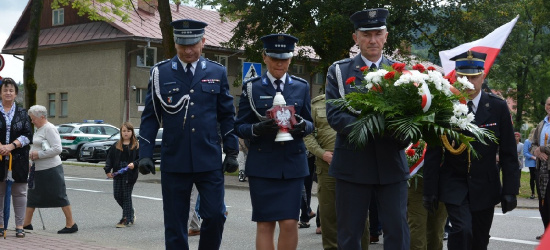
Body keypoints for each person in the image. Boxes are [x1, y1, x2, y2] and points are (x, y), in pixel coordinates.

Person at [137, 19, 239, 249]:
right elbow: (151, 117)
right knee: (175, 222)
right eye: (183, 45)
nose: (188, 50)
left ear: (203, 42)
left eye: (193, 44)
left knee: (215, 215)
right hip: (175, 159)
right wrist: (144, 153)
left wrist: (231, 151)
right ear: (175, 44)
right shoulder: (159, 73)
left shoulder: (217, 71)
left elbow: (226, 115)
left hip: (208, 158)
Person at [325, 8, 410, 250]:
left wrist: (402, 131)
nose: (372, 40)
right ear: (356, 38)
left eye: (377, 33)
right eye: (366, 34)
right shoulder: (339, 72)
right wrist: (375, 128)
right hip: (353, 164)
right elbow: (335, 116)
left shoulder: (400, 72)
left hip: (391, 164)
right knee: (350, 234)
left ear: (386, 36)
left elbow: (411, 117)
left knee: (397, 232)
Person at [422, 50, 520, 250]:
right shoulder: (444, 106)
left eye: (474, 77)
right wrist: (429, 190)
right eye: (464, 77)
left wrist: (511, 190)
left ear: (483, 76)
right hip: (454, 182)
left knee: (479, 238)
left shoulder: (498, 107)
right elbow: (434, 151)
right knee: (462, 230)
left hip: (485, 185)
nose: (469, 82)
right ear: (457, 77)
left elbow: (509, 153)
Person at [234, 33, 313, 250]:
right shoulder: (252, 87)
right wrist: (256, 129)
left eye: (285, 58)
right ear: (265, 57)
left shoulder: (301, 86)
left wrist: (302, 126)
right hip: (263, 164)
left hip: (293, 164)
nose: (280, 63)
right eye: (275, 58)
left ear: (291, 59)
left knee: (289, 223)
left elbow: (310, 122)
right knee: (265, 223)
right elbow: (239, 125)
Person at [303, 94, 371, 249]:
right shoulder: (316, 104)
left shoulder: (357, 99)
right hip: (327, 167)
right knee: (329, 216)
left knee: (359, 215)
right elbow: (307, 134)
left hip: (356, 165)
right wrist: (322, 153)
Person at [23, 105, 78, 234]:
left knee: (59, 195)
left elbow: (57, 149)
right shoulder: (39, 129)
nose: (32, 121)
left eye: (33, 118)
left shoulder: (50, 129)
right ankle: (26, 224)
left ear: (42, 117)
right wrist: (32, 161)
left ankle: (71, 224)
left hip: (51, 169)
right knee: (32, 196)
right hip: (38, 169)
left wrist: (38, 155)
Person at [0, 77, 32, 238]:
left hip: (18, 158)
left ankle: (19, 225)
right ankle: (0, 224)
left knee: (19, 193)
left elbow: (28, 135)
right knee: (0, 192)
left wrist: (11, 146)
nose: (8, 93)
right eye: (5, 90)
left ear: (16, 94)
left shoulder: (22, 113)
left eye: (11, 90)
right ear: (0, 93)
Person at [104, 122, 139, 228]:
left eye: (128, 131)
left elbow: (141, 159)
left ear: (132, 132)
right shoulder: (116, 146)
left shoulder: (136, 146)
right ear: (121, 132)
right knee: (117, 195)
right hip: (118, 172)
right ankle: (130, 212)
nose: (126, 133)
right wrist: (107, 170)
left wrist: (135, 164)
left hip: (130, 173)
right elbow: (109, 159)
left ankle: (126, 219)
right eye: (124, 131)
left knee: (126, 196)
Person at [530, 96, 550, 240]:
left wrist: (542, 149)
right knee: (542, 202)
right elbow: (532, 144)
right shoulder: (541, 124)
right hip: (541, 168)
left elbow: (541, 147)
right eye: (549, 104)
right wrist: (536, 150)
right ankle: (546, 230)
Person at [524, 129, 537, 199]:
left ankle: (539, 193)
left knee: (538, 178)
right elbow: (525, 153)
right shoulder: (527, 141)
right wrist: (533, 157)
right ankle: (533, 193)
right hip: (531, 162)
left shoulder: (538, 141)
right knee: (533, 177)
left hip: (538, 162)